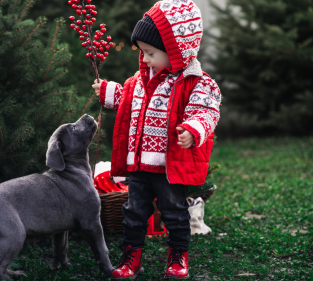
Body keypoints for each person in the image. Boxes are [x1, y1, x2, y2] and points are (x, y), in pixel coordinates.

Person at [91, 0, 221, 279]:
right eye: (142, 52)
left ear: (176, 51)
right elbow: (127, 100)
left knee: (173, 212)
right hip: (138, 165)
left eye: (150, 52)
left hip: (168, 167)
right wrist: (108, 91)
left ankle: (178, 255)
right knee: (133, 212)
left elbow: (206, 109)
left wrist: (194, 129)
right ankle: (131, 257)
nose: (145, 59)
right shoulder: (139, 80)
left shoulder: (195, 82)